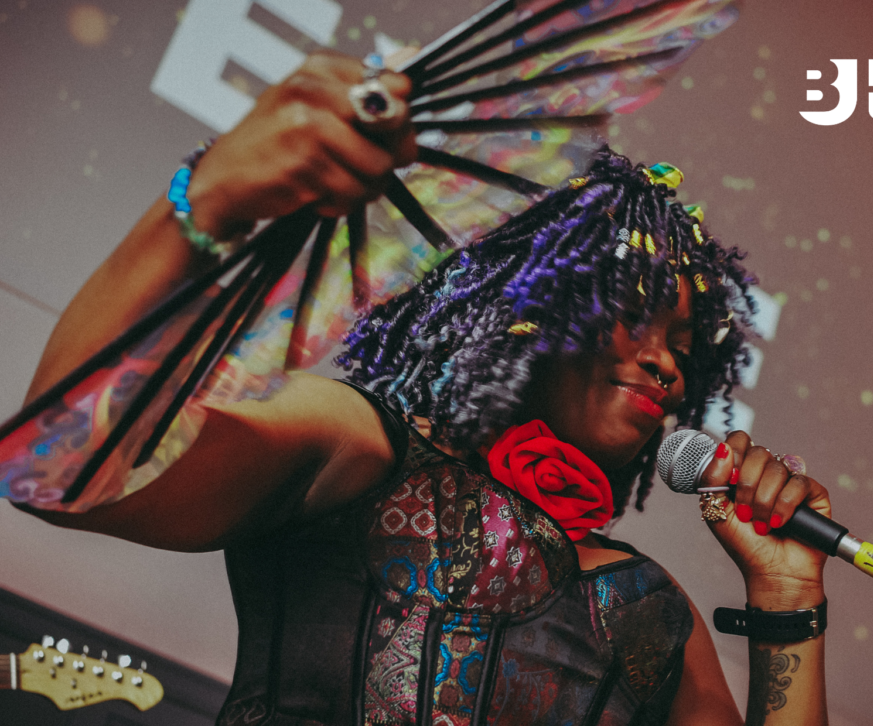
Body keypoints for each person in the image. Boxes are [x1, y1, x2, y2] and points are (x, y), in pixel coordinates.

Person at [22, 53, 831, 725]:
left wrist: (787, 598)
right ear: (533, 306)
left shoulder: (653, 607)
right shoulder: (361, 444)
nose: (667, 365)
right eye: (634, 317)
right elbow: (65, 468)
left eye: (686, 350)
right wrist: (211, 202)